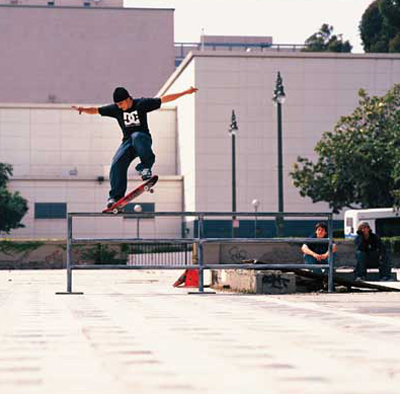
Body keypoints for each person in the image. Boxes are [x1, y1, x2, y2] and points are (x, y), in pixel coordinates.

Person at [72, 86, 198, 208]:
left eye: (121, 104)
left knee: (137, 136)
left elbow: (164, 99)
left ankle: (145, 168)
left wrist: (185, 92)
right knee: (116, 164)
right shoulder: (116, 109)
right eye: (117, 105)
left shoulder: (142, 104)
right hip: (127, 143)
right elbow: (96, 110)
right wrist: (83, 109)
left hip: (143, 140)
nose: (119, 107)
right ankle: (115, 197)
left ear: (128, 99)